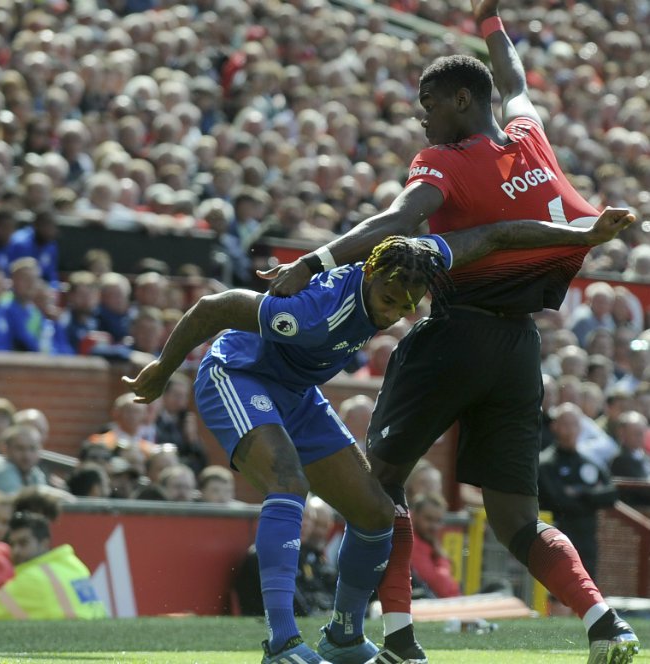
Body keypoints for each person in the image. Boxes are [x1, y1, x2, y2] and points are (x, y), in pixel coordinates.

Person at [258, 1, 641, 659]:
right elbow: (514, 80)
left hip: (453, 335)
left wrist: (313, 264)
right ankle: (606, 624)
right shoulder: (530, 136)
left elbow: (395, 221)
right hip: (521, 350)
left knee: (379, 485)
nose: (421, 115)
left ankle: (394, 636)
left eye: (428, 101)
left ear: (461, 100)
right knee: (519, 519)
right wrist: (490, 22)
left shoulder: (445, 161)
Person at [126, 210, 634, 663]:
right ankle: (281, 644)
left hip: (297, 391)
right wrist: (162, 368)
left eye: (408, 303)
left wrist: (582, 234)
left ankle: (344, 636)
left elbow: (497, 234)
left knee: (374, 513)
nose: (395, 311)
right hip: (238, 374)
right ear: (369, 274)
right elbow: (215, 308)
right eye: (389, 298)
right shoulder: (312, 312)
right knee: (287, 480)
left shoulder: (416, 260)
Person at [539, 403, 619, 582]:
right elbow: (558, 500)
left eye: (574, 424)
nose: (570, 430)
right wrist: (591, 498)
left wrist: (581, 492)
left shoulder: (589, 462)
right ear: (555, 427)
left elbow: (611, 495)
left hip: (586, 539)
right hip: (556, 537)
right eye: (565, 424)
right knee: (557, 588)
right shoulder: (546, 463)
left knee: (587, 586)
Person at [0, 511, 106, 620]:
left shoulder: (30, 578)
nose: (15, 551)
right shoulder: (73, 564)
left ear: (44, 543)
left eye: (23, 543)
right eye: (12, 544)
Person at [409, 492, 460, 599]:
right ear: (414, 515)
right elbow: (442, 588)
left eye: (438, 521)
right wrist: (442, 557)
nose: (434, 526)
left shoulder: (428, 540)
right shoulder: (412, 542)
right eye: (428, 519)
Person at [0, 423, 47, 494]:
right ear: (5, 449)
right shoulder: (2, 471)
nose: (27, 455)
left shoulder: (34, 473)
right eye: (20, 448)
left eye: (32, 448)